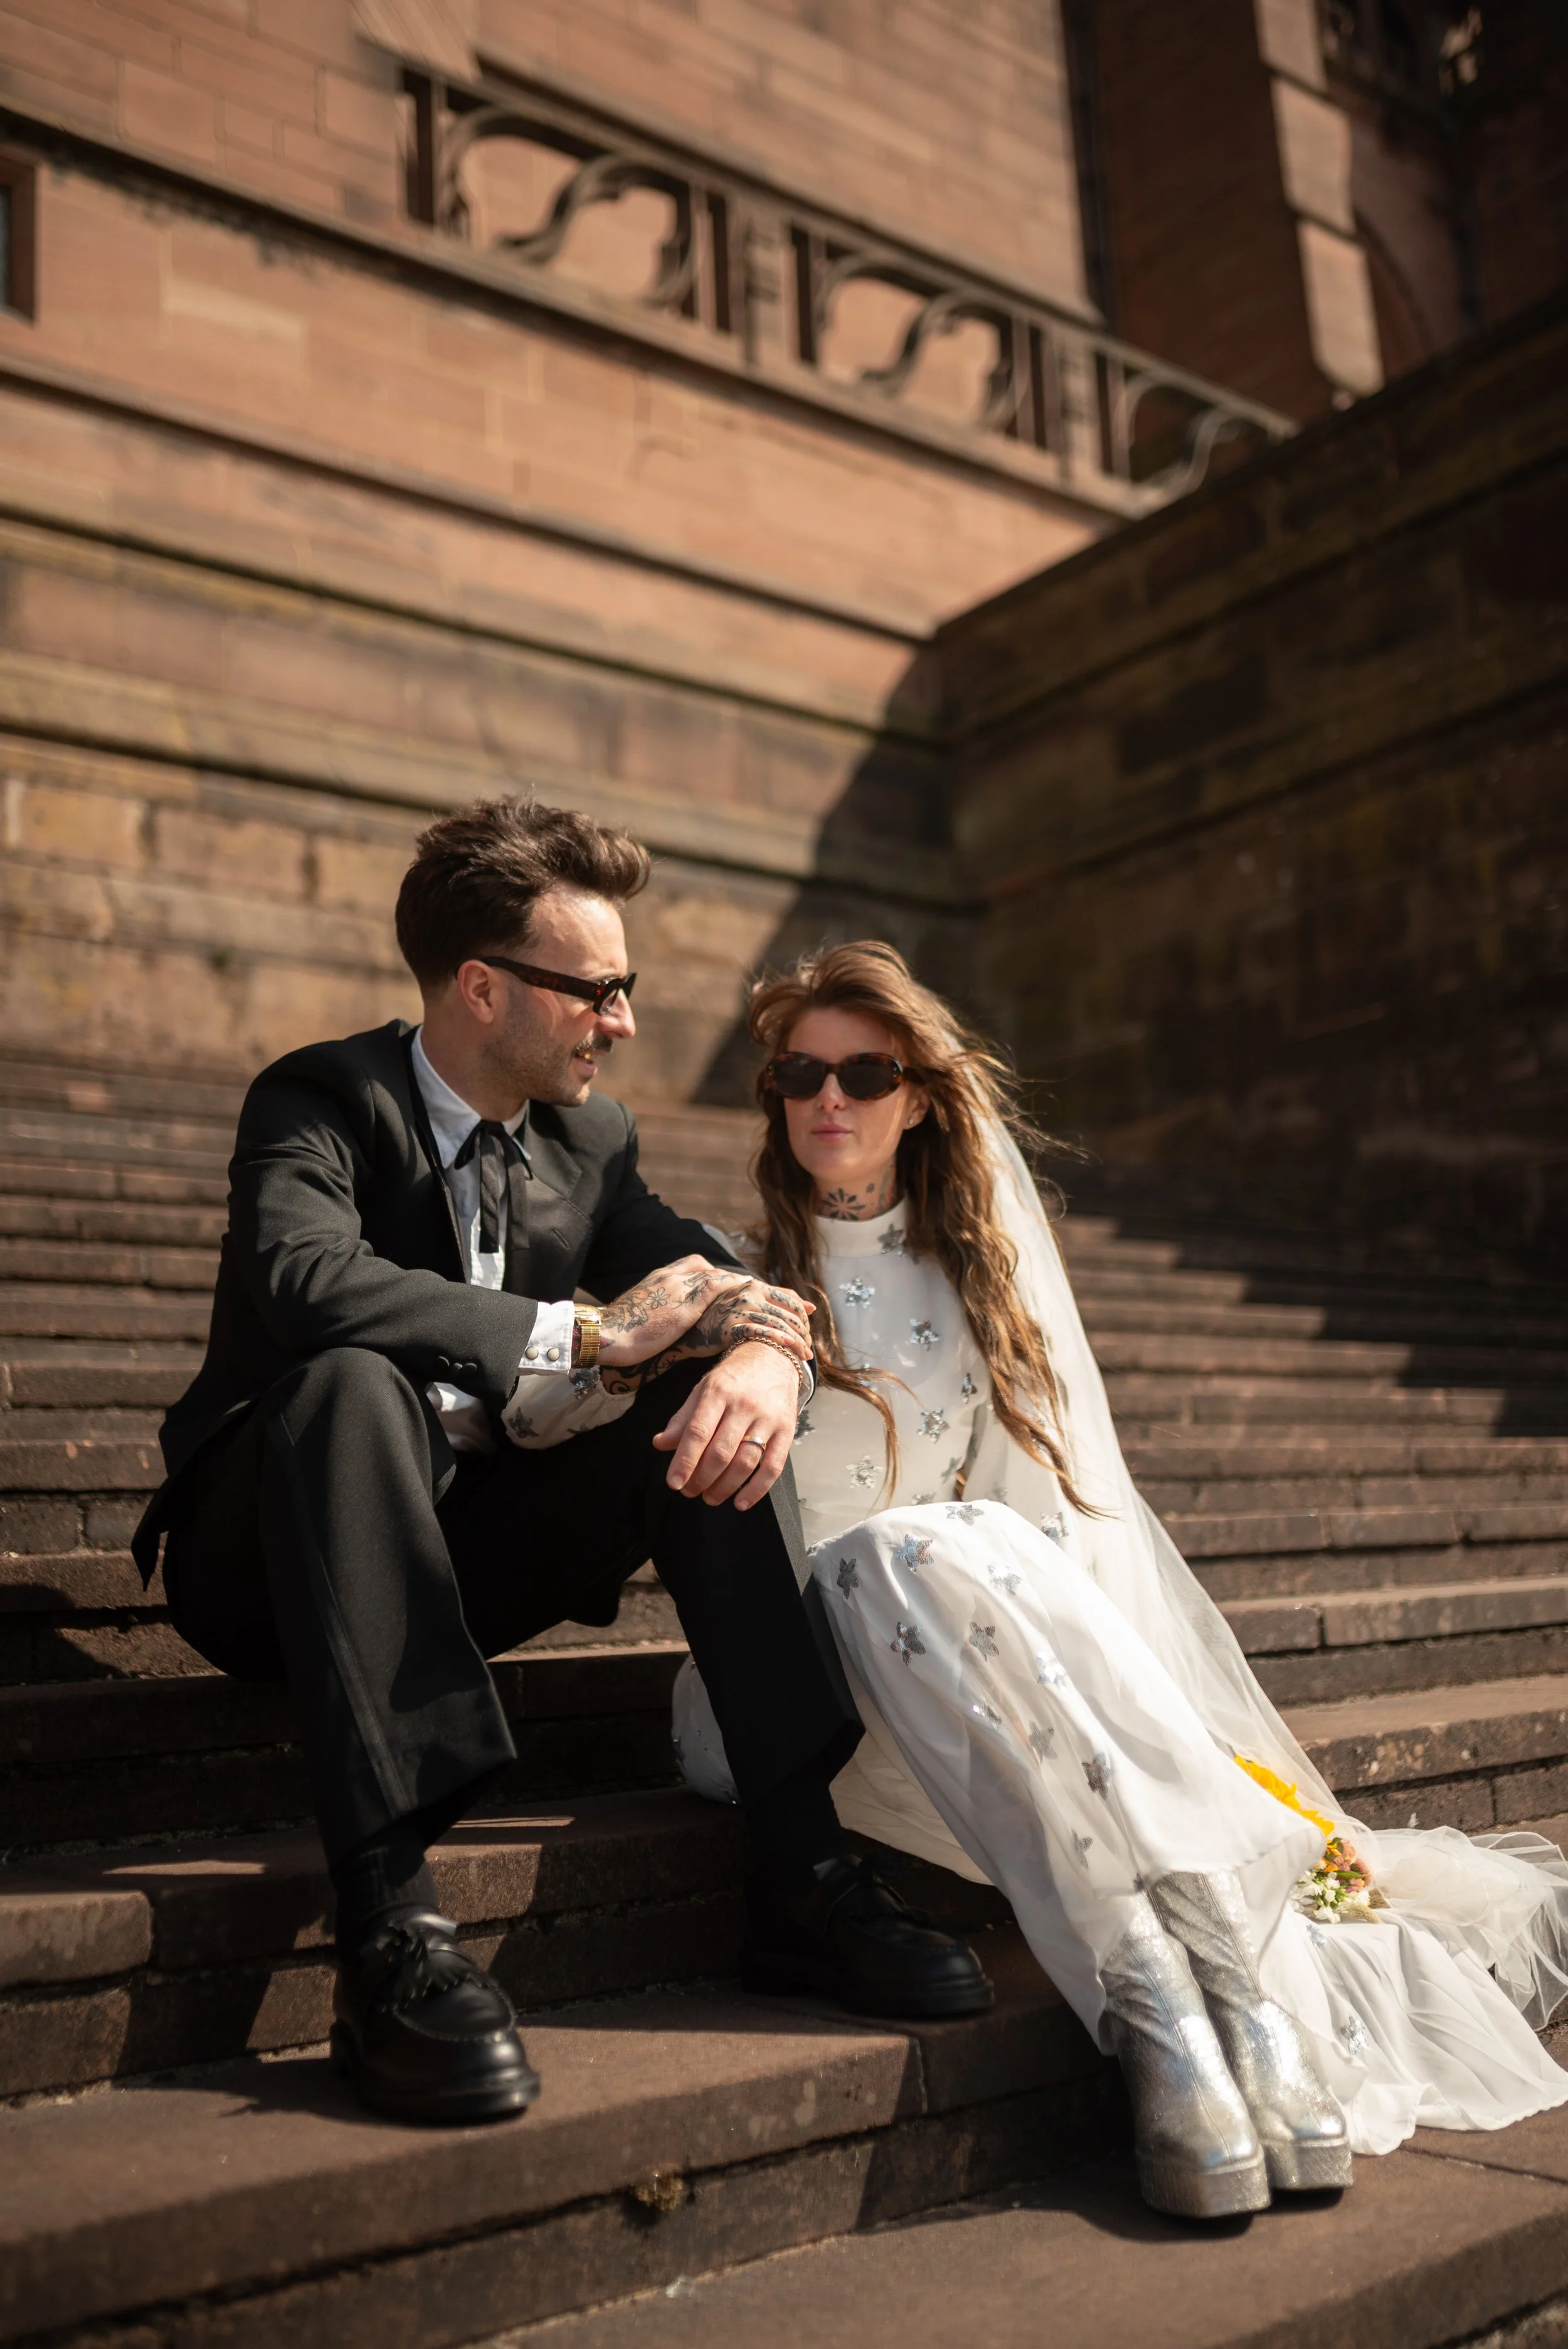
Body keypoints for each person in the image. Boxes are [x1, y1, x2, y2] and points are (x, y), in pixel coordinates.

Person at [660, 941, 1568, 2222]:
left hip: (965, 1675)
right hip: (787, 1701)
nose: (830, 1097)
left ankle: (1205, 1997)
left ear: (918, 1094)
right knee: (894, 1545)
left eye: (865, 1070)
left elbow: (1053, 1543)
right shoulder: (734, 1283)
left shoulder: (978, 1281)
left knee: (958, 1541)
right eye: (800, 1072)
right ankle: (1152, 2017)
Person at [132, 808, 990, 2129]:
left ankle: (802, 1874)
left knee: (704, 1392)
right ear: (481, 988)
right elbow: (305, 1279)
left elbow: (720, 1270)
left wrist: (761, 1344)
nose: (623, 1020)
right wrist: (586, 1330)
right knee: (351, 1378)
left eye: (625, 989)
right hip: (272, 1553)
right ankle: (390, 1932)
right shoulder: (321, 1098)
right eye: (596, 990)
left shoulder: (588, 1145)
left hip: (458, 1556)